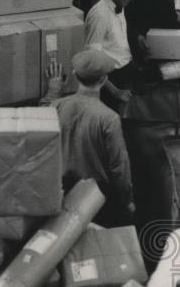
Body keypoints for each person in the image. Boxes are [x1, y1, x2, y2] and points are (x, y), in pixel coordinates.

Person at [41, 49, 135, 227]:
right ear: (104, 79)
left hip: (59, 193)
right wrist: (127, 202)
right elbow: (119, 167)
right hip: (94, 198)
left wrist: (53, 90)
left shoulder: (56, 106)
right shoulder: (108, 118)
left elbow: (39, 120)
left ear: (75, 76)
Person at [84, 0, 142, 93]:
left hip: (127, 69)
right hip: (112, 80)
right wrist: (115, 92)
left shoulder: (120, 3)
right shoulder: (99, 15)